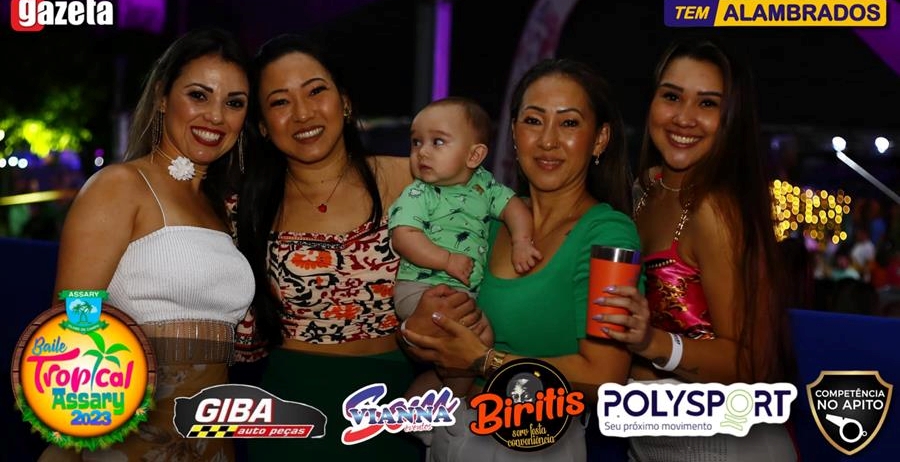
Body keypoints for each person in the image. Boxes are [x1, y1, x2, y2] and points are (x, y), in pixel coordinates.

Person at [231, 34, 478, 460]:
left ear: (344, 102)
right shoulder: (245, 211)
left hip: (394, 410)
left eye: (316, 91)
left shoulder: (415, 184)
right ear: (263, 126)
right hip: (288, 417)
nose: (303, 113)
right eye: (280, 102)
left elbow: (485, 259)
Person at [402, 58, 638, 461]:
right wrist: (420, 329)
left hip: (536, 444)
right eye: (533, 121)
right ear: (513, 133)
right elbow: (436, 339)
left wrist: (483, 360)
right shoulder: (487, 220)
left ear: (599, 139)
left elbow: (605, 378)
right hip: (453, 439)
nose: (547, 140)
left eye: (568, 123)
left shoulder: (609, 235)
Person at [40, 28, 254, 461]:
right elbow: (72, 323)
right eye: (199, 95)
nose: (216, 116)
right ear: (161, 97)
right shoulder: (120, 186)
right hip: (128, 446)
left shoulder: (219, 208)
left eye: (234, 103)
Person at [593, 38, 798, 461]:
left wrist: (652, 342)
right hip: (649, 441)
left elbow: (752, 365)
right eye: (671, 96)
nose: (684, 117)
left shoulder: (715, 210)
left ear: (731, 119)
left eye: (707, 103)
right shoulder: (644, 190)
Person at [390, 96, 541, 397]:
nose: (422, 152)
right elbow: (404, 236)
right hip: (421, 289)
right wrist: (446, 260)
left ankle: (442, 398)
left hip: (462, 294)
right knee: (464, 339)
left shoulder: (485, 186)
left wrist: (522, 242)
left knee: (481, 339)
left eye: (437, 142)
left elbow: (514, 208)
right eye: (416, 142)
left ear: (474, 155)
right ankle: (446, 401)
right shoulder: (419, 193)